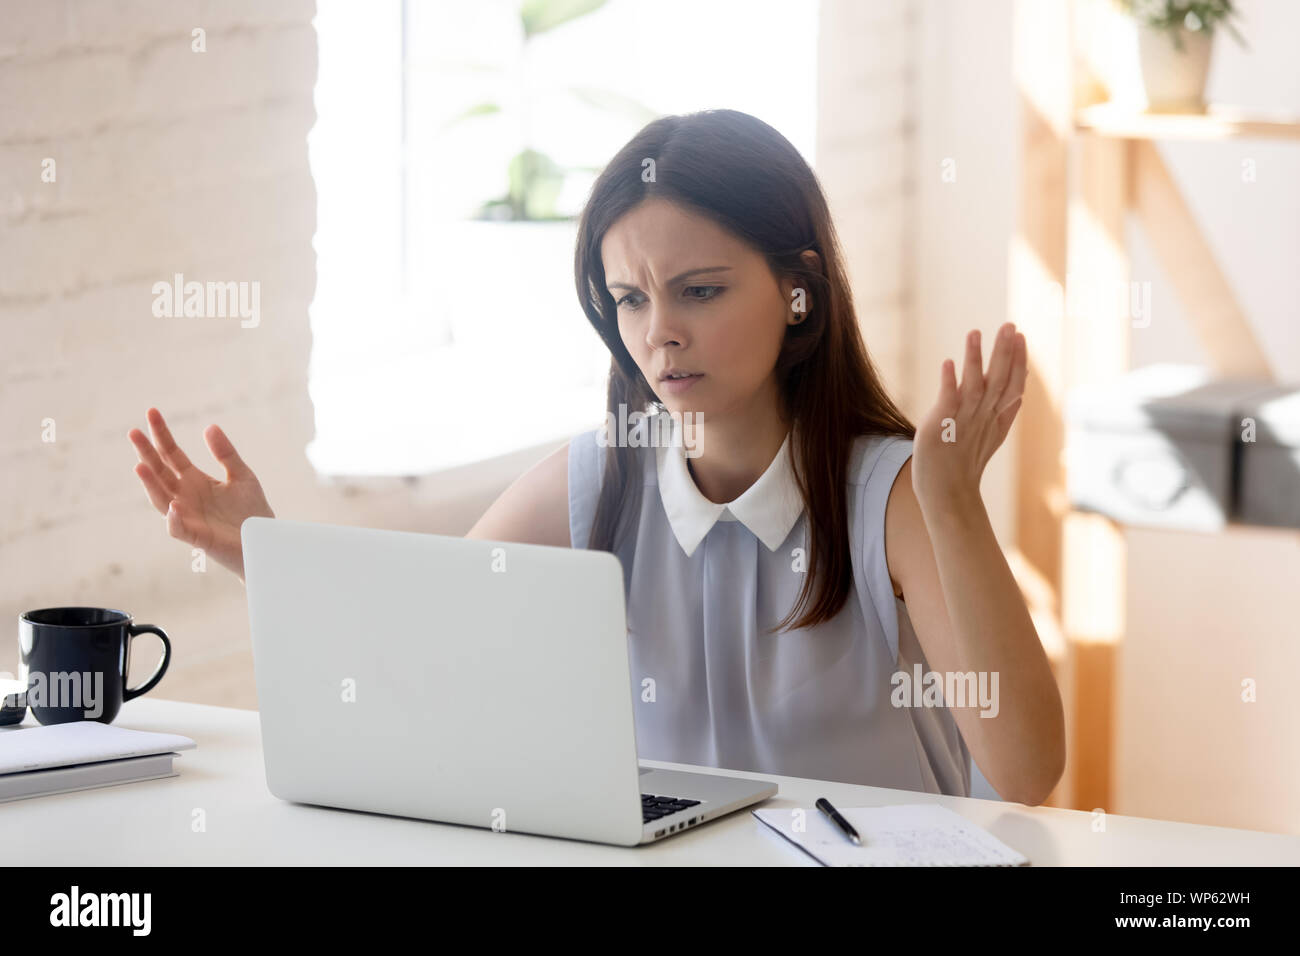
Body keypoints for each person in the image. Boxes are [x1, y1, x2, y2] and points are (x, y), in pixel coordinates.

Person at [129, 109, 1064, 804]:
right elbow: (409, 643)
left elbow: (1027, 771)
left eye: (699, 290)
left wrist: (952, 501)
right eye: (628, 299)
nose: (659, 335)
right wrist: (262, 550)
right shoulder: (595, 483)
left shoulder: (888, 494)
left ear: (798, 291)